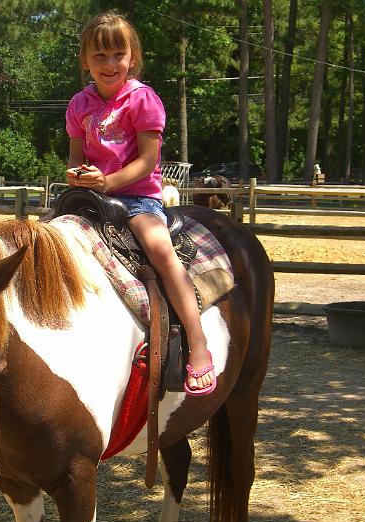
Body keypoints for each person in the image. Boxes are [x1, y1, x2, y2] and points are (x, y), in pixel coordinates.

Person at [64, 12, 216, 396]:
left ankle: (197, 344)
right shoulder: (79, 104)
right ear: (85, 61)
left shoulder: (142, 99)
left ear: (132, 58)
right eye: (99, 56)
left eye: (118, 54)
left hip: (136, 198)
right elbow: (74, 156)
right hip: (91, 198)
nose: (109, 64)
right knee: (46, 240)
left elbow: (148, 162)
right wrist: (76, 175)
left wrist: (108, 182)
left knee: (160, 251)